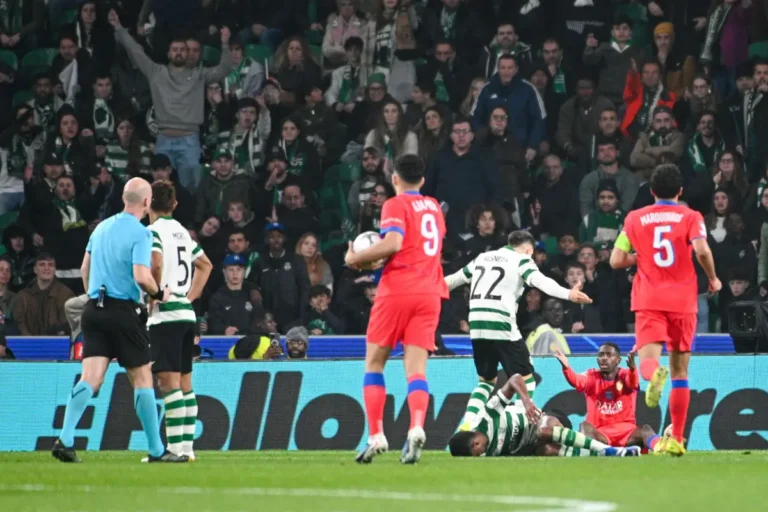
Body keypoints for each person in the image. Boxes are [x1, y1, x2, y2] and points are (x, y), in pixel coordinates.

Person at [52, 178, 186, 463]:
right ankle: (156, 450)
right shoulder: (141, 233)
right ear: (147, 202)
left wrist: (91, 295)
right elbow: (141, 275)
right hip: (123, 312)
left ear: (125, 198)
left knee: (91, 378)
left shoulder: (101, 227)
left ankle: (64, 438)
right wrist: (158, 291)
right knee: (142, 380)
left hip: (94, 311)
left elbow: (85, 266)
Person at [610, 164, 722, 457]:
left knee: (649, 362)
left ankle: (653, 372)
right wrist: (712, 278)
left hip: (649, 300)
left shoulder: (635, 218)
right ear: (680, 191)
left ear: (651, 191)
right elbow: (701, 250)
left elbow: (615, 260)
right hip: (684, 302)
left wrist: (641, 257)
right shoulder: (691, 217)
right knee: (681, 373)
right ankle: (677, 438)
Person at [344, 154, 447, 465]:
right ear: (423, 180)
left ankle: (376, 435)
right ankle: (416, 427)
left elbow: (393, 243)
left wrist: (355, 259)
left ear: (395, 179)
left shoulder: (394, 204)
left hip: (398, 289)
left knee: (374, 364)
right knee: (416, 370)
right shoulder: (434, 208)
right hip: (430, 293)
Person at [444, 229, 592, 427]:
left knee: (486, 381)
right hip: (501, 322)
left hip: (477, 323)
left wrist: (424, 290)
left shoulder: (483, 257)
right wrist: (568, 294)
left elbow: (452, 280)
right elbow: (541, 282)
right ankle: (517, 425)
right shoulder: (522, 260)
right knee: (527, 380)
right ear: (528, 250)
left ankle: (469, 423)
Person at [108, 9, 234, 191]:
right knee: (160, 188)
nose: (179, 53)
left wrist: (225, 44)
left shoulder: (200, 75)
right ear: (168, 53)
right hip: (164, 138)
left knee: (191, 187)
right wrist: (118, 27)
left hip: (190, 139)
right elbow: (135, 51)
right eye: (175, 50)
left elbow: (225, 69)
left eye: (182, 50)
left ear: (188, 54)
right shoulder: (156, 72)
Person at [146, 180, 212, 461]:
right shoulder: (183, 233)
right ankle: (187, 449)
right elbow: (205, 265)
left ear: (148, 203)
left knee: (168, 383)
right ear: (174, 204)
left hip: (167, 316)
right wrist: (190, 297)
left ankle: (173, 450)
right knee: (186, 383)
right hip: (185, 313)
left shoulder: (152, 231)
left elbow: (156, 263)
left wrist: (154, 294)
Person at [448, 373, 640, 457]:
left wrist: (526, 401)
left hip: (547, 420)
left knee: (543, 431)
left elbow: (514, 379)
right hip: (534, 444)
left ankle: (608, 450)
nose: (481, 453)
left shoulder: (487, 417)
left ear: (475, 442)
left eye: (478, 450)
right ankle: (600, 455)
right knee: (546, 451)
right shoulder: (487, 454)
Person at [554, 344, 661, 452]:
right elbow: (577, 381)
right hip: (600, 434)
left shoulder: (625, 374)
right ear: (597, 359)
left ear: (618, 360)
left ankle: (660, 448)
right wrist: (566, 367)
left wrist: (633, 369)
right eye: (601, 355)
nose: (604, 358)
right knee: (584, 426)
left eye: (609, 355)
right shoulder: (591, 375)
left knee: (645, 429)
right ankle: (599, 453)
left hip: (627, 433)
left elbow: (632, 383)